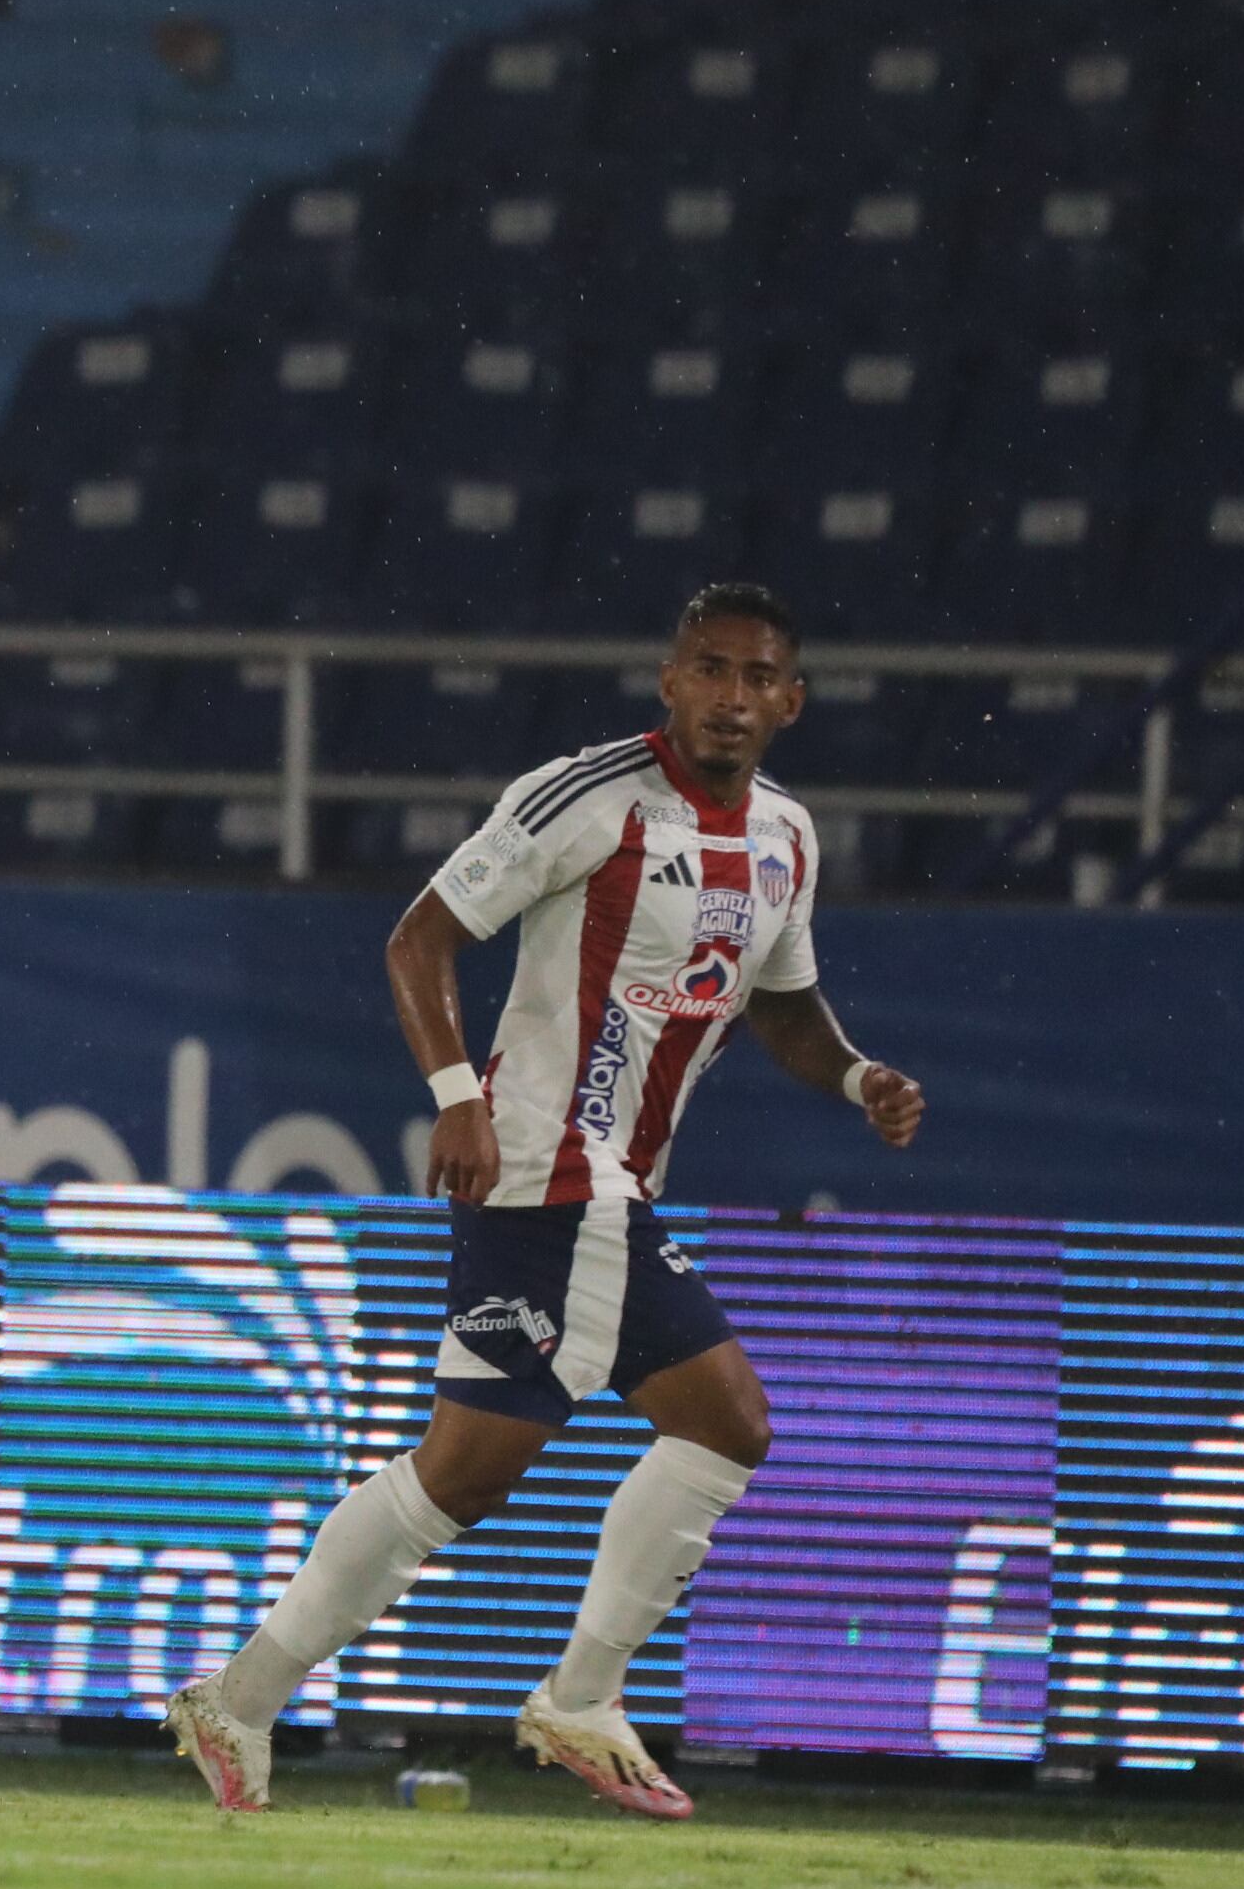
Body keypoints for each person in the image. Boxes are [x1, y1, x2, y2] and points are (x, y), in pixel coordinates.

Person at [167, 583, 927, 1821]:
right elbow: (419, 939)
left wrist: (856, 1076)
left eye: (757, 677)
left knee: (474, 1473)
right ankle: (578, 1697)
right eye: (709, 668)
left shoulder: (787, 836)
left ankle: (240, 1698)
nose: (731, 696)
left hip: (601, 1183)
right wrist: (456, 1098)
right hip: (551, 1164)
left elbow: (783, 1005)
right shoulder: (587, 795)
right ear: (669, 682)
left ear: (791, 702)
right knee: (718, 1422)